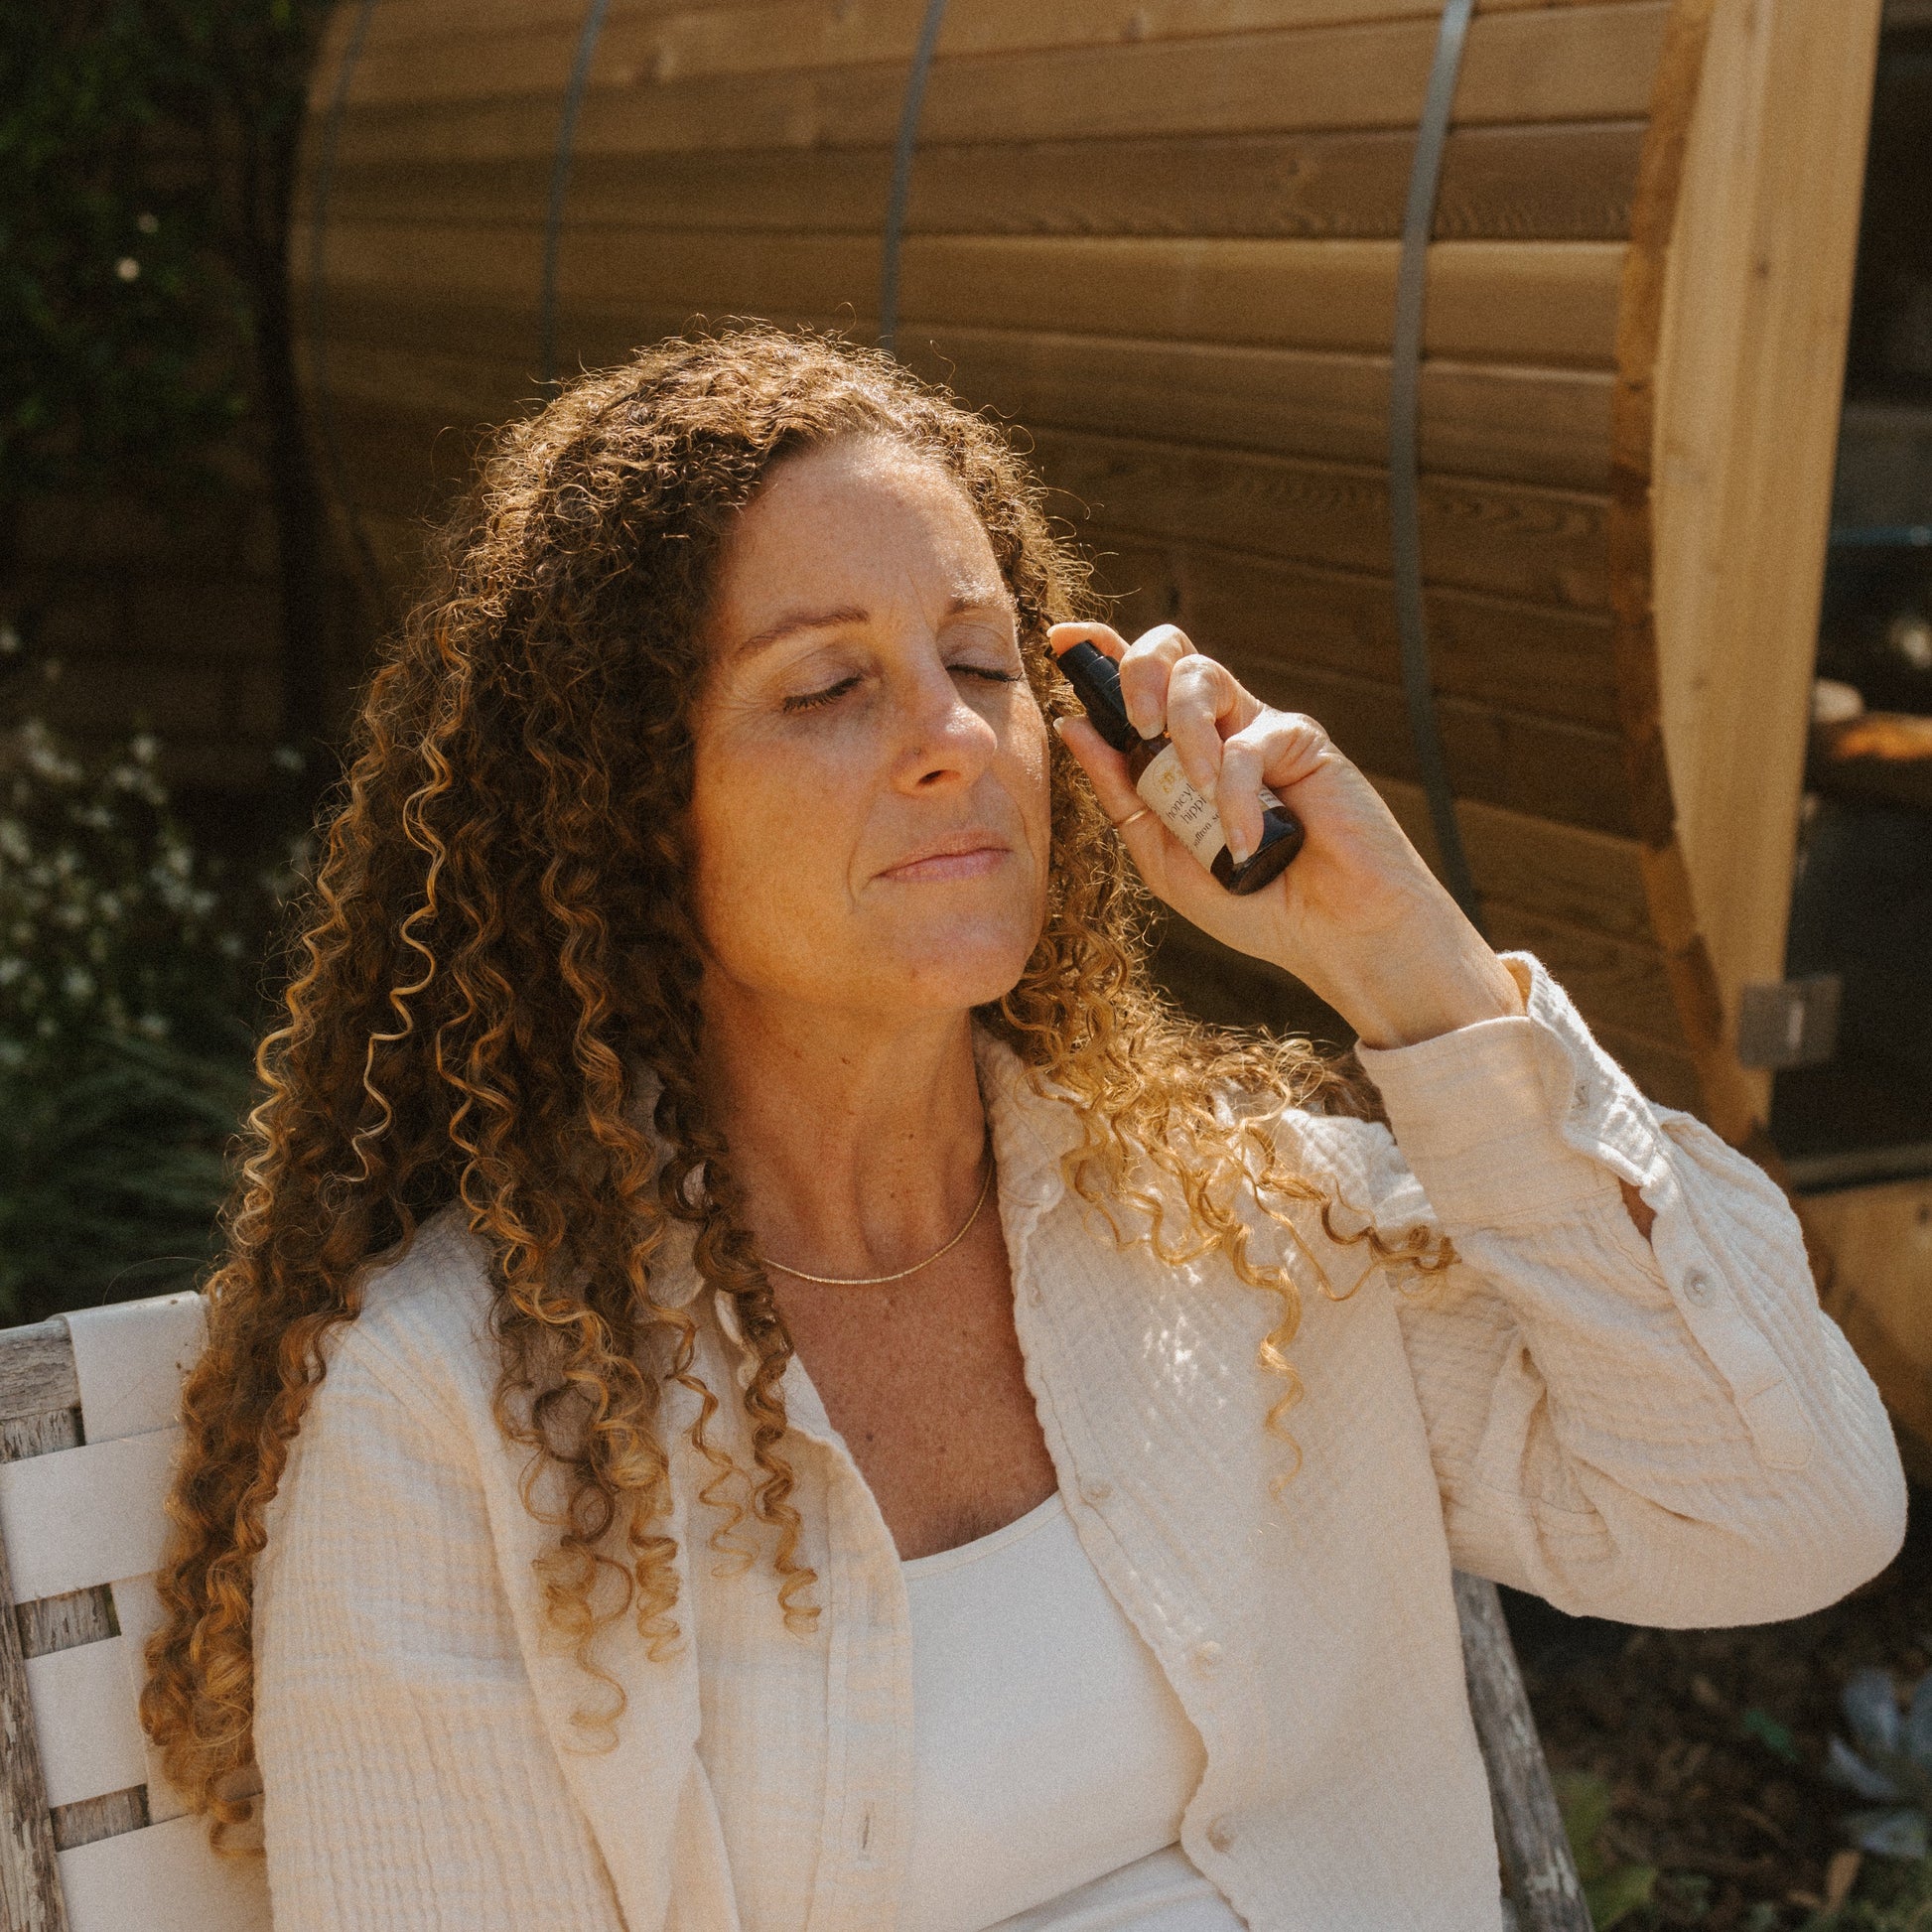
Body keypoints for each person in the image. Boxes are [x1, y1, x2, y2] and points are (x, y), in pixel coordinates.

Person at [142, 325, 1906, 1932]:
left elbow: (1785, 1512)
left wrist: (1414, 971)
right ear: (622, 810)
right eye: (826, 687)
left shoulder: (1247, 1235)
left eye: (981, 662)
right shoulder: (453, 1414)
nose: (949, 740)